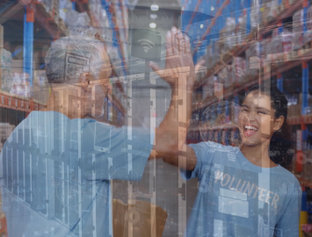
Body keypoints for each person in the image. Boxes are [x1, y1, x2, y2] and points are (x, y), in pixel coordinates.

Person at [0, 28, 194, 236]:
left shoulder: (20, 134)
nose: (109, 89)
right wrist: (183, 83)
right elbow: (170, 141)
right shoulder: (85, 138)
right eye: (106, 79)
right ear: (86, 81)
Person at [152, 50, 302, 237]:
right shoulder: (213, 155)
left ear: (277, 123)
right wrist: (182, 88)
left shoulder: (288, 185)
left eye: (261, 112)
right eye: (245, 110)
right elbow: (168, 148)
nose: (250, 119)